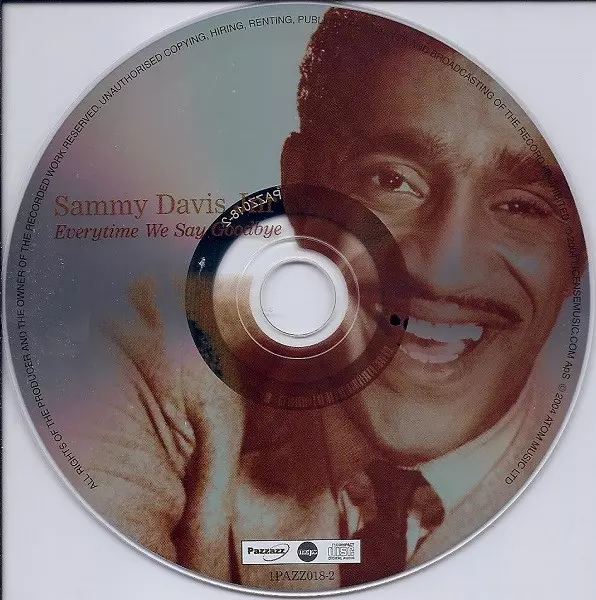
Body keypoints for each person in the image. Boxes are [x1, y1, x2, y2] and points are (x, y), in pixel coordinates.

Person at [79, 7, 586, 591]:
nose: (442, 272)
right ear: (301, 189)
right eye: (392, 181)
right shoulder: (167, 356)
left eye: (522, 206)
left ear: (579, 251)